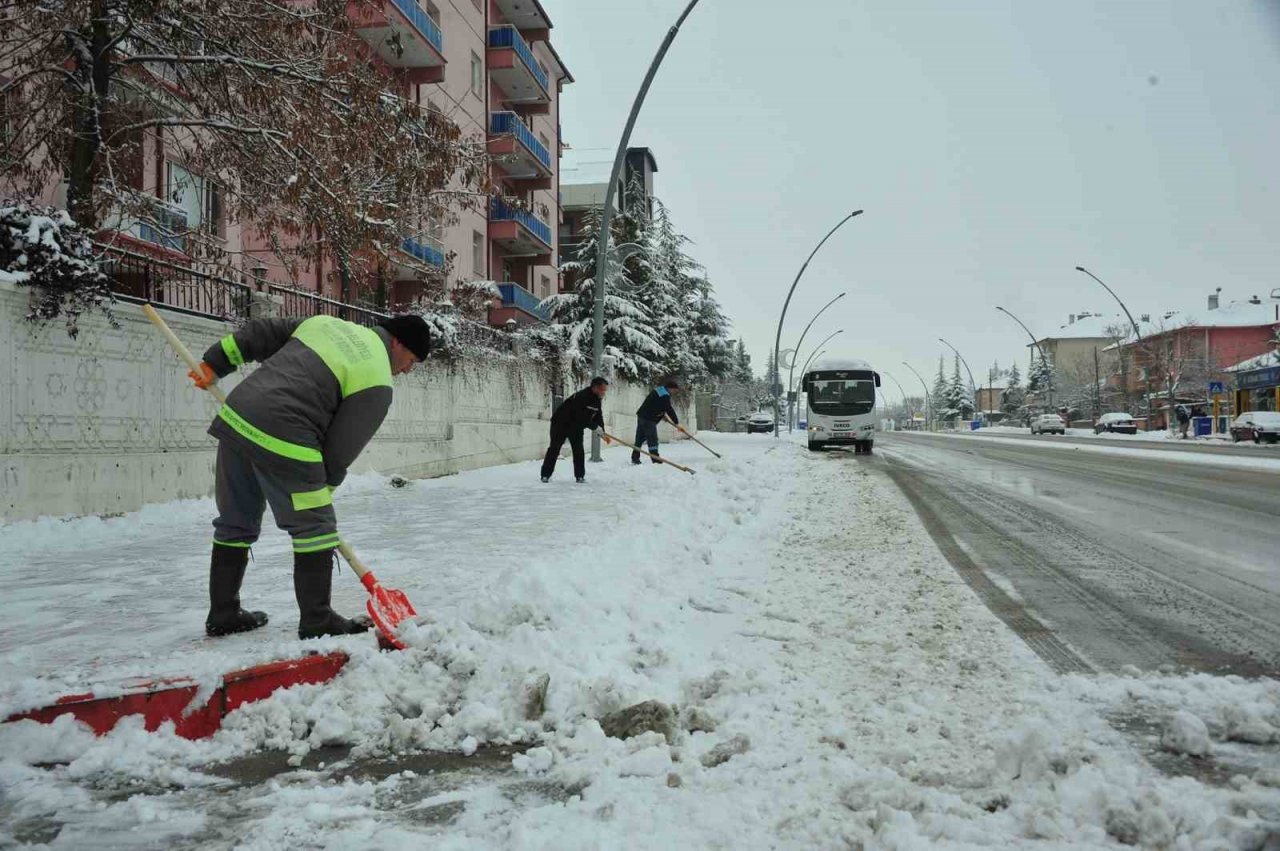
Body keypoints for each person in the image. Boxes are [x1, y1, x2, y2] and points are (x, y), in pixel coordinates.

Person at [189, 313, 430, 639]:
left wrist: (216, 362)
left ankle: (223, 613)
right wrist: (323, 488)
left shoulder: (326, 324)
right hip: (287, 432)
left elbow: (263, 331)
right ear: (398, 342)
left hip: (239, 418)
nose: (408, 370)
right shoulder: (376, 378)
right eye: (411, 360)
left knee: (236, 520)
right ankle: (317, 620)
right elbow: (341, 447)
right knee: (315, 528)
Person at [541, 377, 609, 483]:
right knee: (554, 448)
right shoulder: (582, 397)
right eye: (602, 389)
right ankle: (545, 475)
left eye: (605, 390)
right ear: (595, 388)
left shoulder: (597, 400)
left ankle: (580, 476)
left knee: (578, 450)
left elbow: (598, 415)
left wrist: (602, 432)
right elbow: (581, 417)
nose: (604, 392)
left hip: (576, 426)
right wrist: (595, 427)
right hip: (560, 423)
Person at [632, 380, 680, 465]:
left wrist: (662, 415)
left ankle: (635, 458)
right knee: (652, 439)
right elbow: (669, 409)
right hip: (649, 418)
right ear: (670, 388)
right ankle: (655, 459)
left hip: (642, 415)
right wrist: (676, 422)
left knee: (640, 438)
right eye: (674, 391)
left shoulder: (659, 390)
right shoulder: (665, 395)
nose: (674, 393)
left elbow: (656, 404)